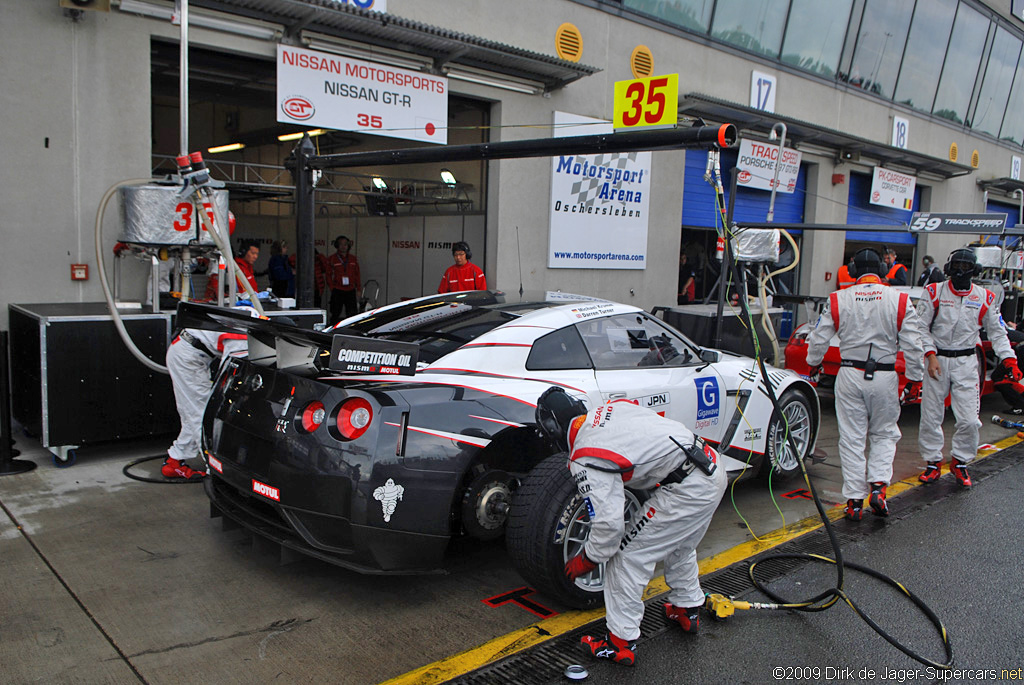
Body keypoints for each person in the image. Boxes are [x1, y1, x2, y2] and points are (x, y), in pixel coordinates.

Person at [535, 387, 727, 667]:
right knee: (680, 545)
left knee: (625, 556)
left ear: (552, 431)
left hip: (688, 489)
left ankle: (620, 643)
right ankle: (686, 609)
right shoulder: (613, 408)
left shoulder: (585, 456)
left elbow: (609, 527)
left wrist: (588, 559)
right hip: (711, 468)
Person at [805, 248, 926, 520]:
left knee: (851, 437)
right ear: (883, 272)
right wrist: (915, 379)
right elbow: (913, 345)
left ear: (853, 271)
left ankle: (854, 501)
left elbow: (818, 339)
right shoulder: (900, 299)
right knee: (884, 433)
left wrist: (814, 364)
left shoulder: (837, 299)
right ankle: (879, 487)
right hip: (885, 376)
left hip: (849, 374)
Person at [917, 248, 1021, 487]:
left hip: (966, 362)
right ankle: (932, 463)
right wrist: (930, 354)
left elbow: (997, 332)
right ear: (949, 269)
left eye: (966, 267)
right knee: (932, 416)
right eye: (957, 267)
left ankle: (960, 462)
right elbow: (920, 327)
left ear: (975, 270)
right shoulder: (933, 292)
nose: (961, 272)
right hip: (937, 361)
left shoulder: (985, 297)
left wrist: (1009, 359)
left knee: (969, 419)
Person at [162, 312, 254, 480]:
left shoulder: (253, 321)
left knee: (193, 413)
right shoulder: (243, 334)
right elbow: (232, 372)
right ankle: (215, 473)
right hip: (187, 358)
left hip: (188, 353)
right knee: (203, 416)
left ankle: (173, 462)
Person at [328, 235, 362, 324]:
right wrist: (332, 287)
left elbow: (357, 274)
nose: (343, 246)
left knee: (352, 314)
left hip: (350, 290)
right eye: (341, 244)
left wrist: (358, 289)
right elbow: (328, 275)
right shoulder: (332, 259)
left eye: (345, 244)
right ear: (337, 246)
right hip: (338, 290)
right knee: (335, 313)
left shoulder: (353, 259)